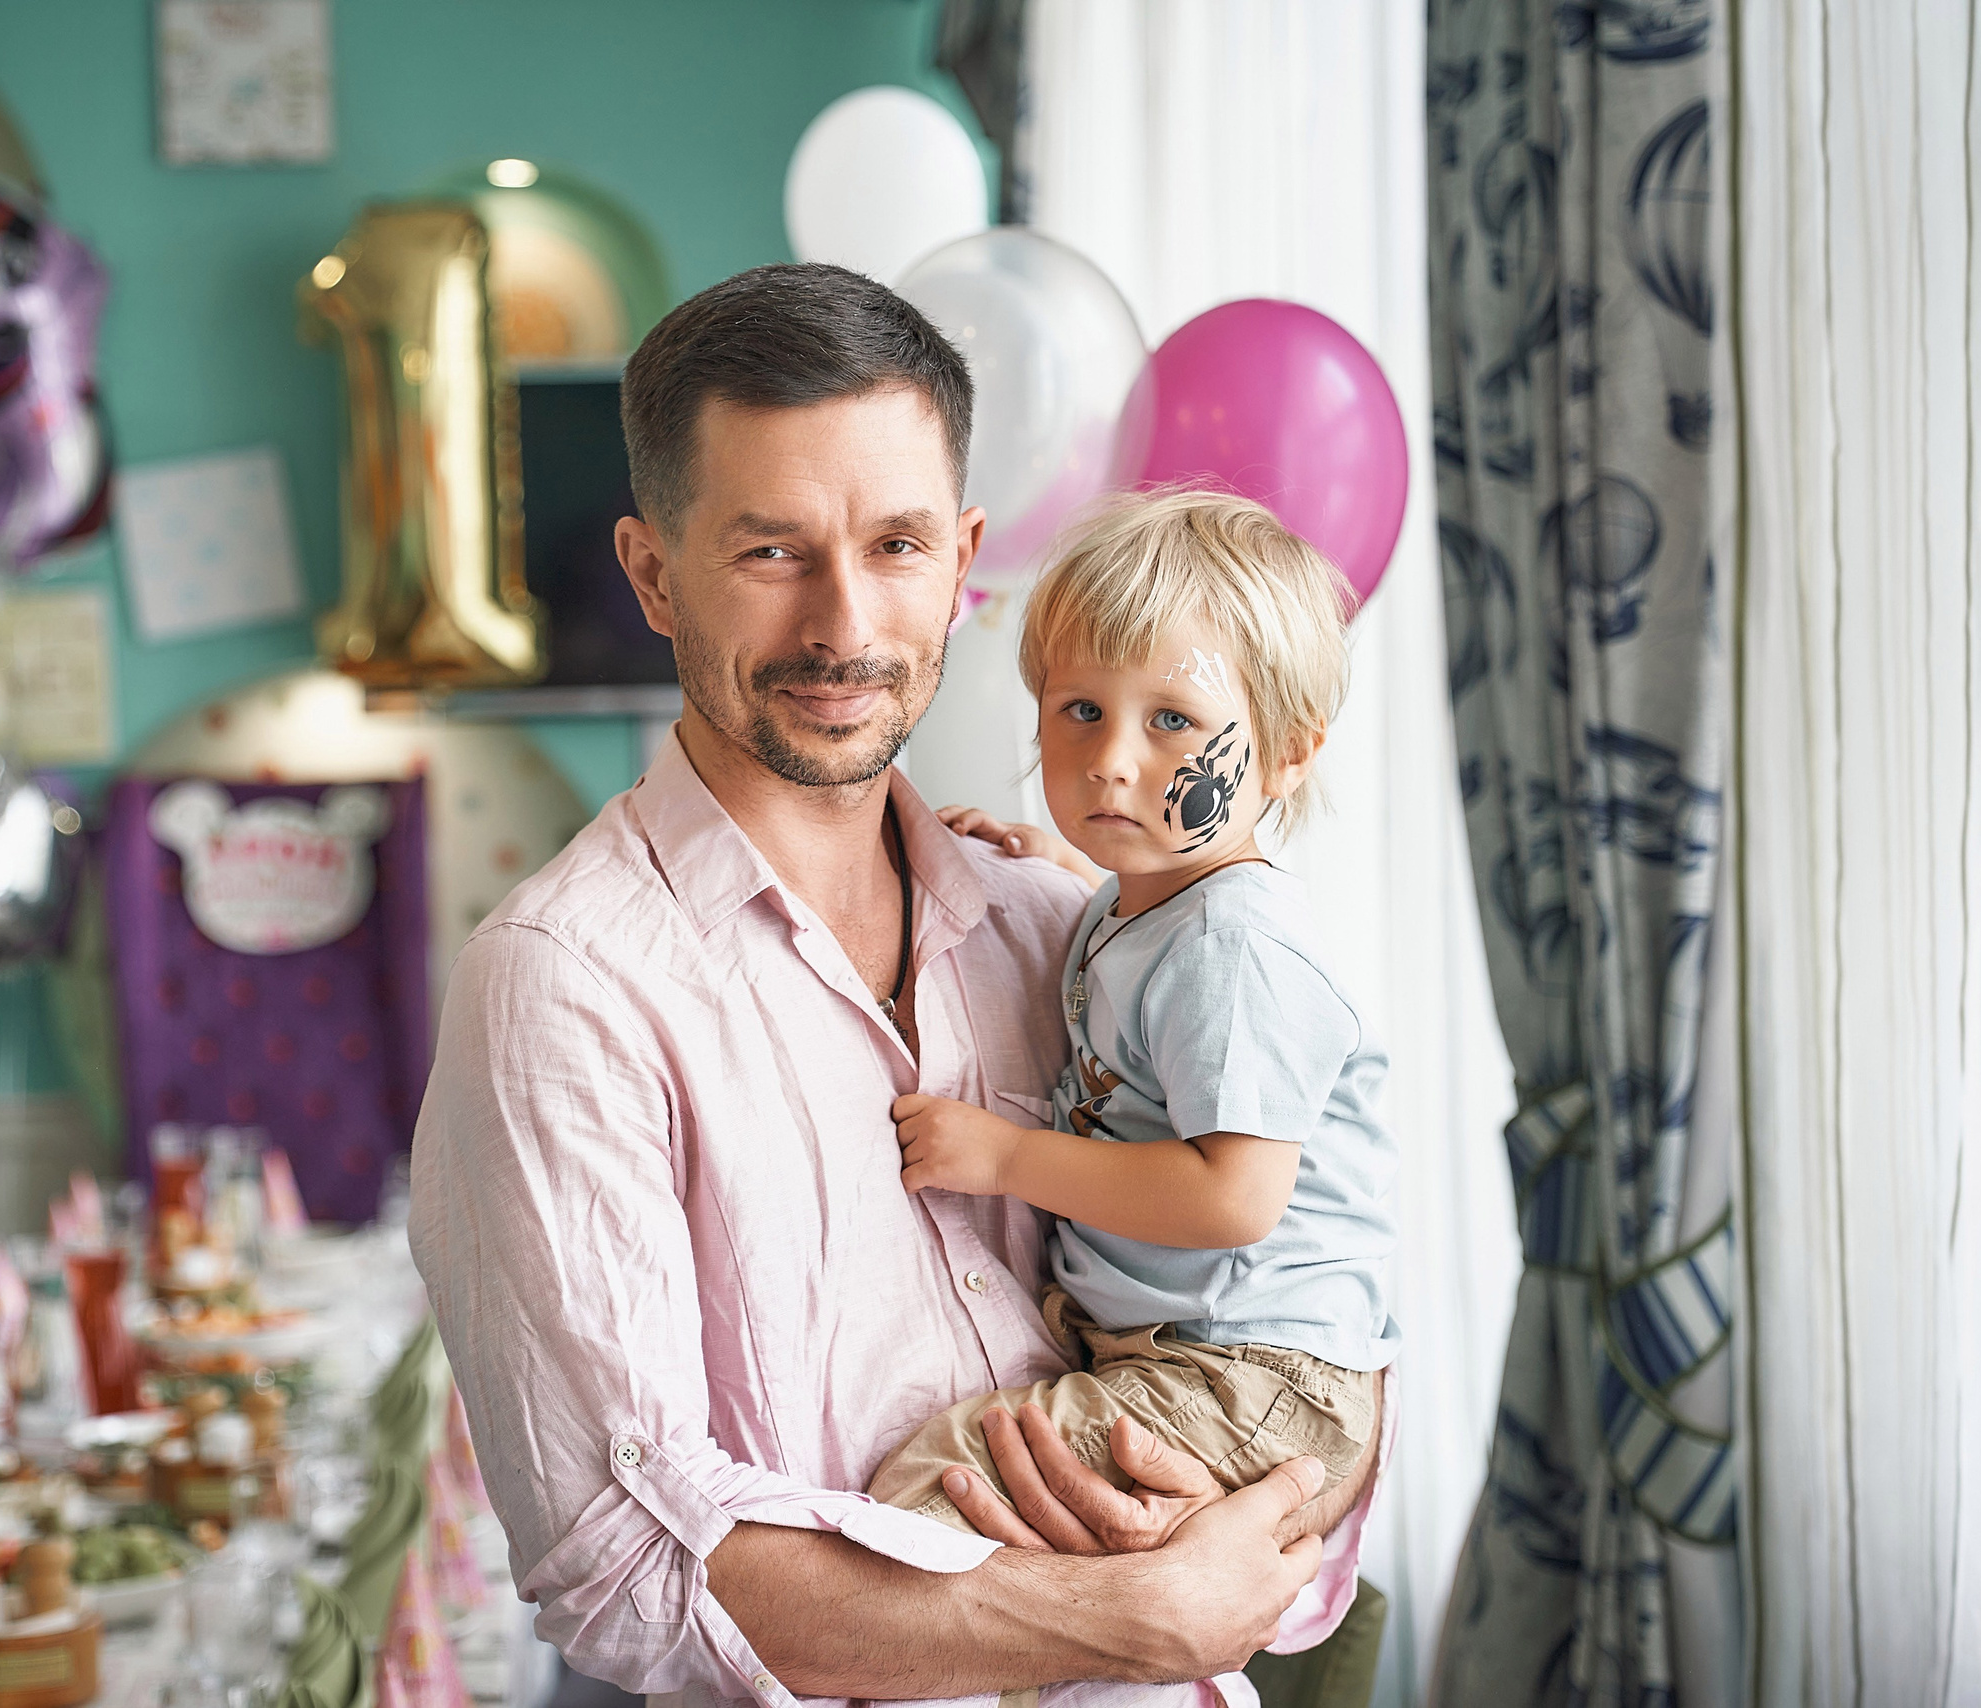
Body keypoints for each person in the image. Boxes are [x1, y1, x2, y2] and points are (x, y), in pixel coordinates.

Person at [407, 264, 1381, 1708]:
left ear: (968, 557)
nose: (844, 624)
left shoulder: (1073, 924)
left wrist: (1241, 1544)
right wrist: (1126, 1614)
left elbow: (1310, 1298)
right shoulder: (565, 992)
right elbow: (621, 1566)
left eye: (899, 543)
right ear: (653, 573)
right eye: (770, 551)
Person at [865, 491, 1397, 1540]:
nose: (1110, 758)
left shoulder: (1230, 945)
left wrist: (1006, 1160)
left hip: (1250, 1366)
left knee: (931, 1500)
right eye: (1078, 710)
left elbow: (1234, 1199)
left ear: (1287, 751)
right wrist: (1068, 865)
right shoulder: (1153, 902)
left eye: (1170, 721)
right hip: (1195, 1349)